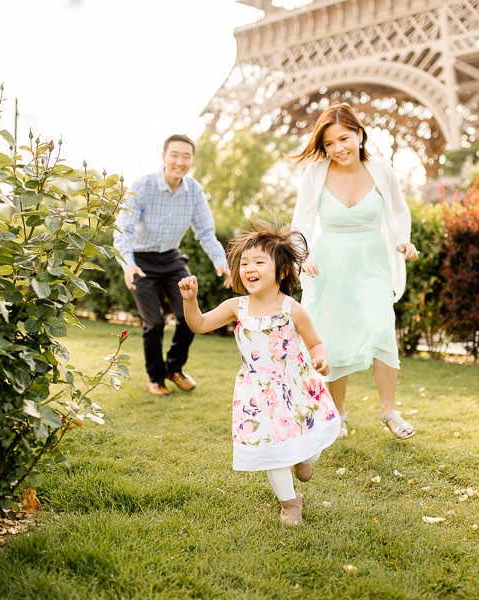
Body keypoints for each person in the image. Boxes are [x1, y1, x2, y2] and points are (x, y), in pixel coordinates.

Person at [178, 219, 340, 526]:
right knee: (271, 448)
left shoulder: (292, 309)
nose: (249, 267)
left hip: (295, 386)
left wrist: (321, 360)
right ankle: (290, 503)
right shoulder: (236, 307)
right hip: (258, 393)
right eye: (244, 262)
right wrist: (190, 301)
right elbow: (198, 324)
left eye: (259, 262)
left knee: (307, 442)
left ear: (280, 271)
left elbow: (315, 343)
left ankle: (306, 458)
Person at [291, 102, 419, 440]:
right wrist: (302, 257)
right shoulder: (315, 173)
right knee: (333, 337)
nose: (338, 149)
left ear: (360, 134)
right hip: (328, 262)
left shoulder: (382, 170)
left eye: (344, 139)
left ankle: (389, 411)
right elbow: (300, 223)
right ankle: (339, 414)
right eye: (329, 144)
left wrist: (404, 241)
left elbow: (399, 213)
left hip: (371, 258)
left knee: (381, 327)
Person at [114, 134, 231, 396]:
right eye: (175, 155)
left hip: (171, 259)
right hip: (141, 260)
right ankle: (155, 377)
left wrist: (220, 260)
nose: (180, 161)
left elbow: (205, 231)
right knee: (153, 322)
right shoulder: (143, 186)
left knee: (190, 317)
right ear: (164, 156)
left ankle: (173, 368)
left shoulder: (194, 191)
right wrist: (128, 264)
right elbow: (123, 230)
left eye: (186, 156)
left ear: (192, 160)